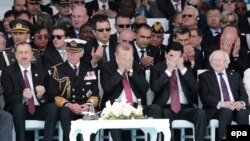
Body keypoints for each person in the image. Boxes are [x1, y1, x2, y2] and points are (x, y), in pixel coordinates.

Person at [100, 42, 161, 140]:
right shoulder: (107, 67)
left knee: (155, 109)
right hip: (115, 107)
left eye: (129, 57)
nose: (126, 60)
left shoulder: (136, 67)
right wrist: (120, 71)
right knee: (113, 116)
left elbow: (145, 88)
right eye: (123, 57)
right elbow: (107, 87)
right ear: (116, 55)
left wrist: (131, 71)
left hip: (136, 107)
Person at [1, 42, 58, 141]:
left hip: (37, 108)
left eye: (26, 52)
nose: (23, 55)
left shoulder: (41, 71)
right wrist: (22, 98)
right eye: (20, 53)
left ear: (32, 55)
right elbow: (8, 97)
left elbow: (50, 97)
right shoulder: (8, 72)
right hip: (19, 110)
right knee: (19, 107)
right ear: (16, 55)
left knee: (52, 108)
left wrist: (41, 97)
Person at [150, 41, 206, 141]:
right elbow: (155, 88)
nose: (174, 59)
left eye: (178, 56)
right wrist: (168, 71)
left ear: (182, 56)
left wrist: (182, 69)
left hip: (184, 108)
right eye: (171, 55)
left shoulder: (185, 69)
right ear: (166, 54)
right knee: (166, 114)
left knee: (200, 112)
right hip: (165, 107)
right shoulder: (157, 68)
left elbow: (195, 87)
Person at [48, 39, 99, 141]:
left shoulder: (89, 69)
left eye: (75, 52)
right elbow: (53, 95)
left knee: (93, 119)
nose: (72, 54)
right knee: (65, 113)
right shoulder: (57, 70)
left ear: (82, 53)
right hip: (67, 107)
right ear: (66, 51)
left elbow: (95, 93)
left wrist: (88, 105)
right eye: (69, 51)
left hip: (85, 107)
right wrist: (69, 105)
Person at [199, 50, 249, 141]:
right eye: (214, 60)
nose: (217, 62)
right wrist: (222, 103)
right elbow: (205, 96)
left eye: (220, 60)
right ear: (210, 62)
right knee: (226, 111)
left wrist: (241, 103)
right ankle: (223, 139)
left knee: (243, 113)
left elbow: (243, 93)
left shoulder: (235, 75)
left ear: (226, 63)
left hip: (234, 107)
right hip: (217, 109)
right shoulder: (204, 76)